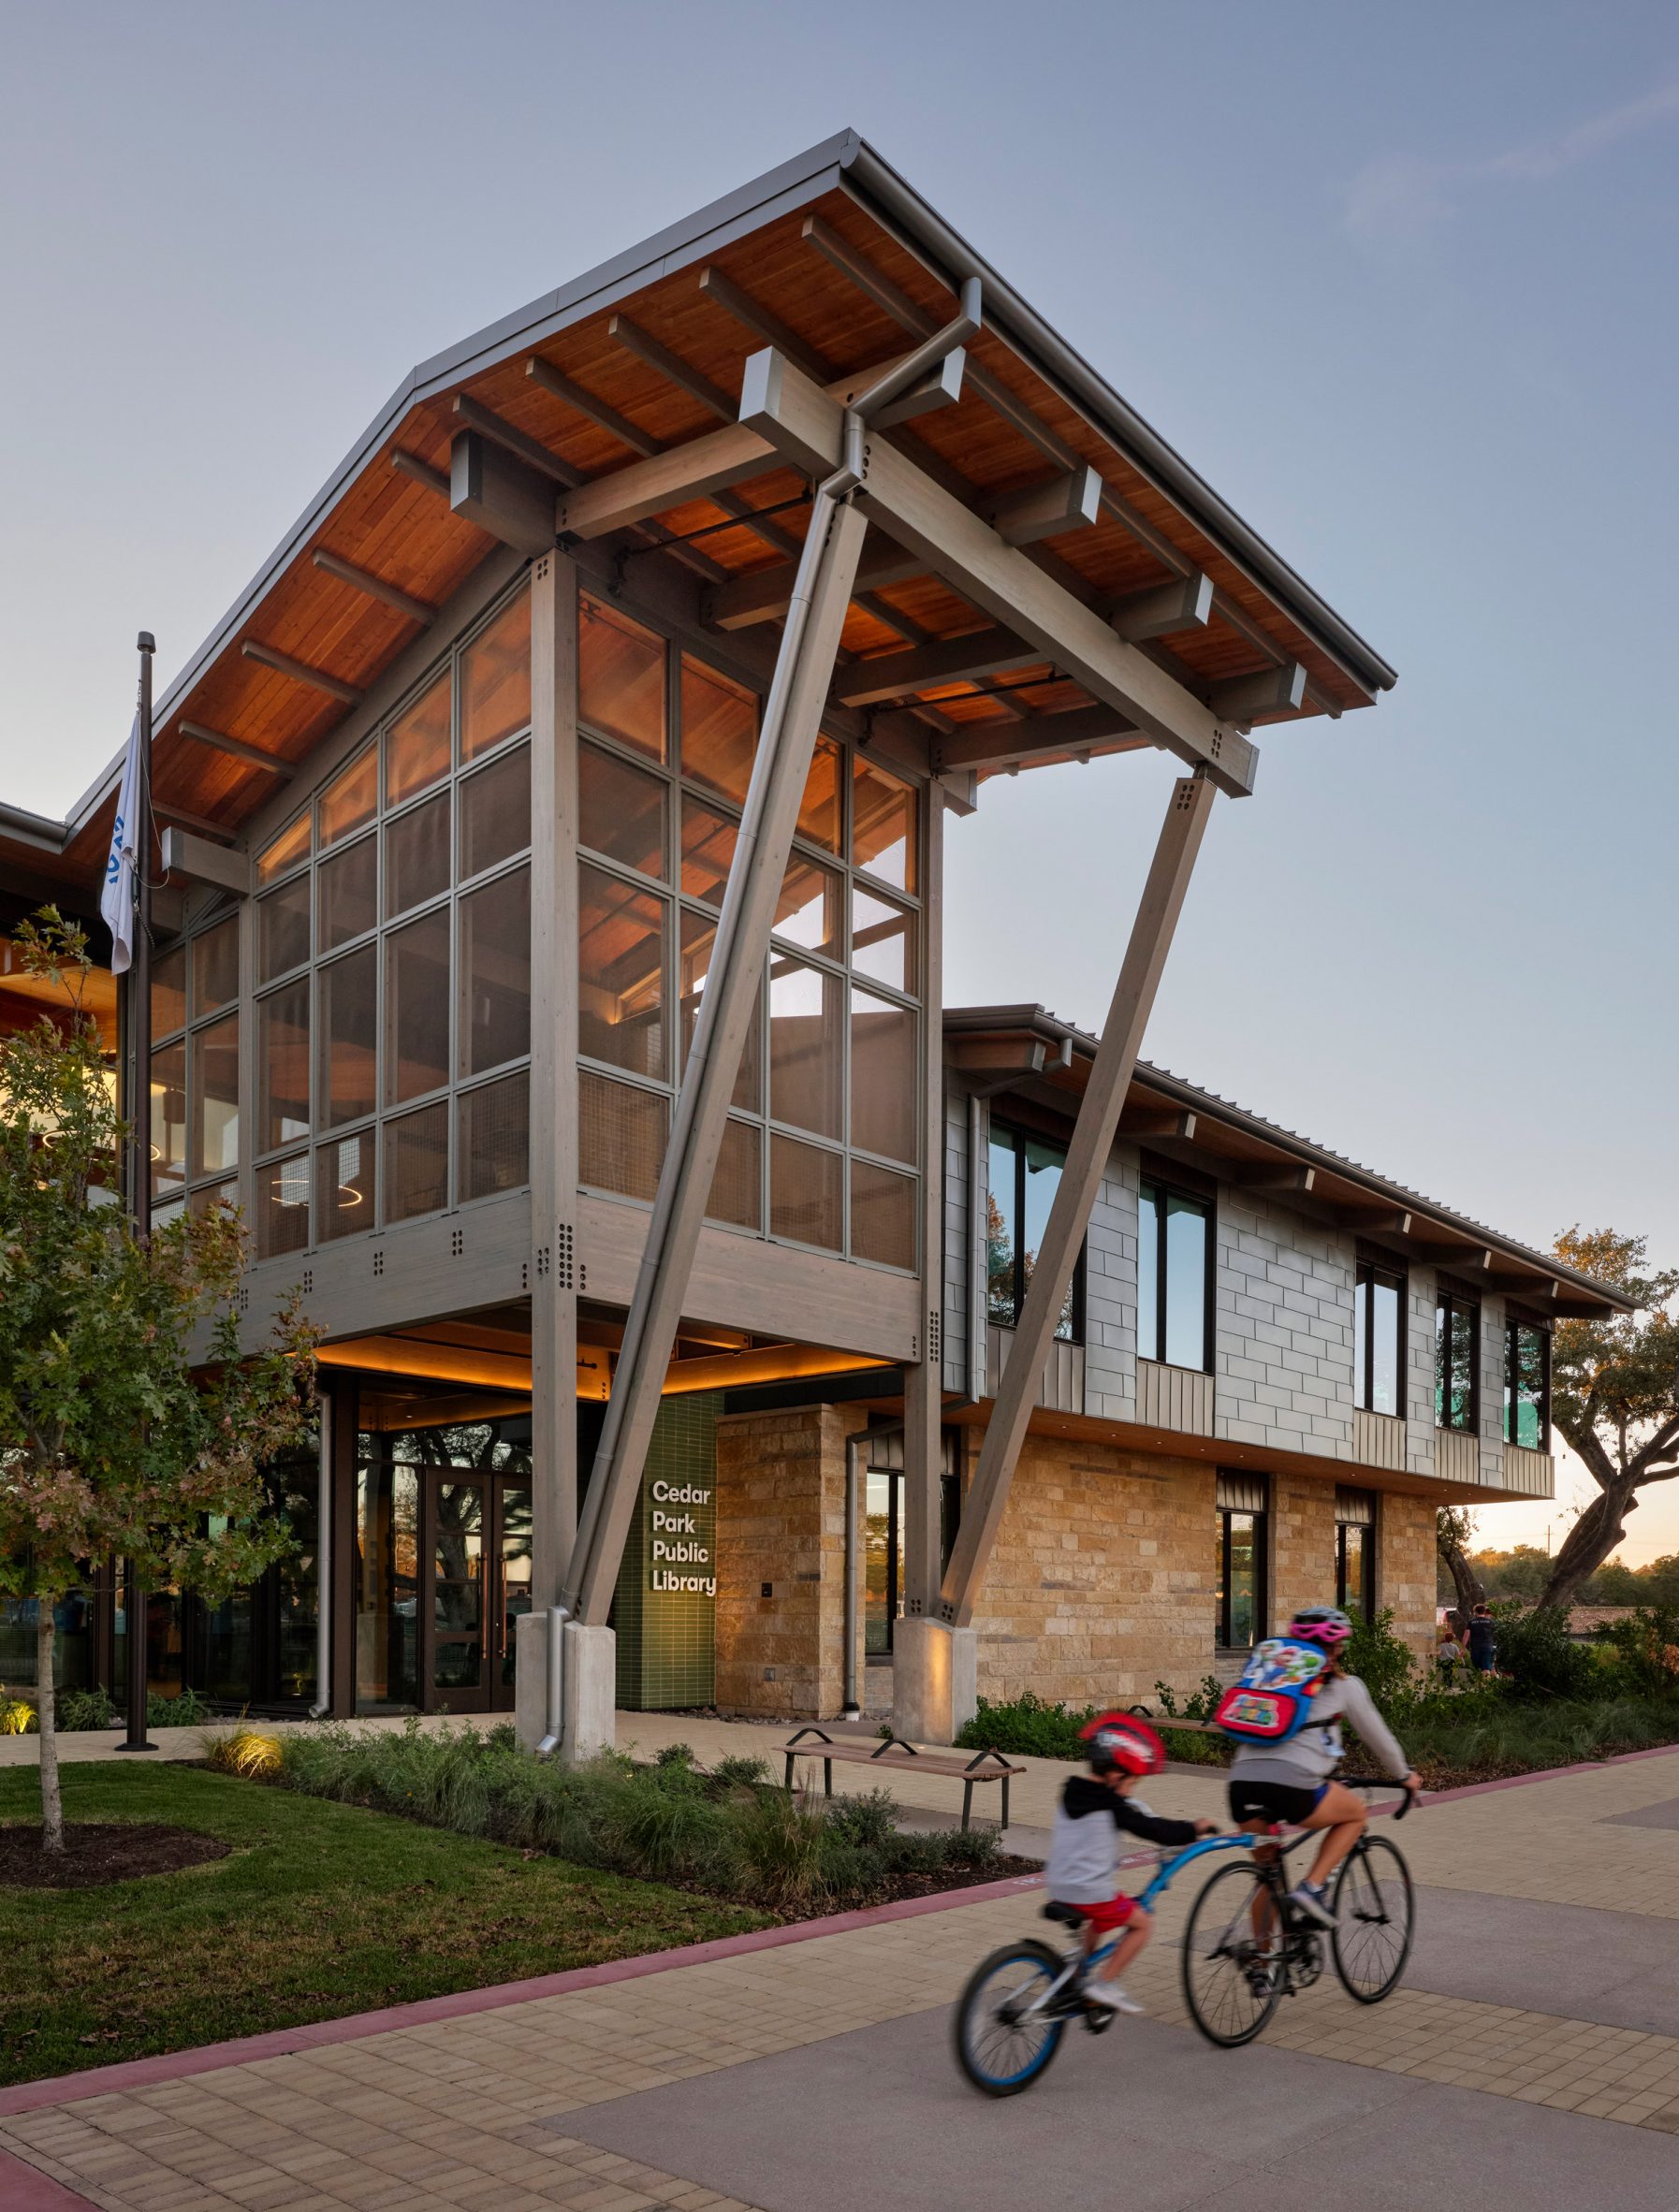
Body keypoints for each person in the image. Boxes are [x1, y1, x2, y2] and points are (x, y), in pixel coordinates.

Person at [1227, 1607, 1421, 1928]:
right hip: (1294, 1785)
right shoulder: (1345, 1686)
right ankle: (1312, 1888)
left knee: (1269, 1878)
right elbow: (1380, 1740)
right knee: (1356, 1814)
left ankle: (1263, 1971)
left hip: (1241, 1785)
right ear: (1335, 1648)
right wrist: (1404, 1776)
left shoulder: (1270, 1679)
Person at [1044, 1712, 1219, 2016]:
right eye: (1132, 1780)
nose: (1130, 1789)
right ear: (1115, 1774)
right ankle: (1104, 1984)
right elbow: (1153, 1829)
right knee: (1142, 1925)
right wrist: (1193, 1829)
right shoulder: (1112, 1806)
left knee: (1098, 1919)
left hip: (1060, 1885)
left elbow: (1130, 1813)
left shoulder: (1070, 1789)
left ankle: (1079, 1971)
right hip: (1091, 1892)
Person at [1466, 1602, 1497, 1675]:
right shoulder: (1491, 1622)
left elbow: (1466, 1636)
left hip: (1475, 1647)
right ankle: (1486, 1683)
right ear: (1484, 1611)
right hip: (1487, 1647)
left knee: (1478, 1667)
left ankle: (1482, 1682)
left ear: (1475, 1612)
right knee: (1486, 1667)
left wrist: (1462, 1647)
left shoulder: (1471, 1622)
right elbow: (1495, 1634)